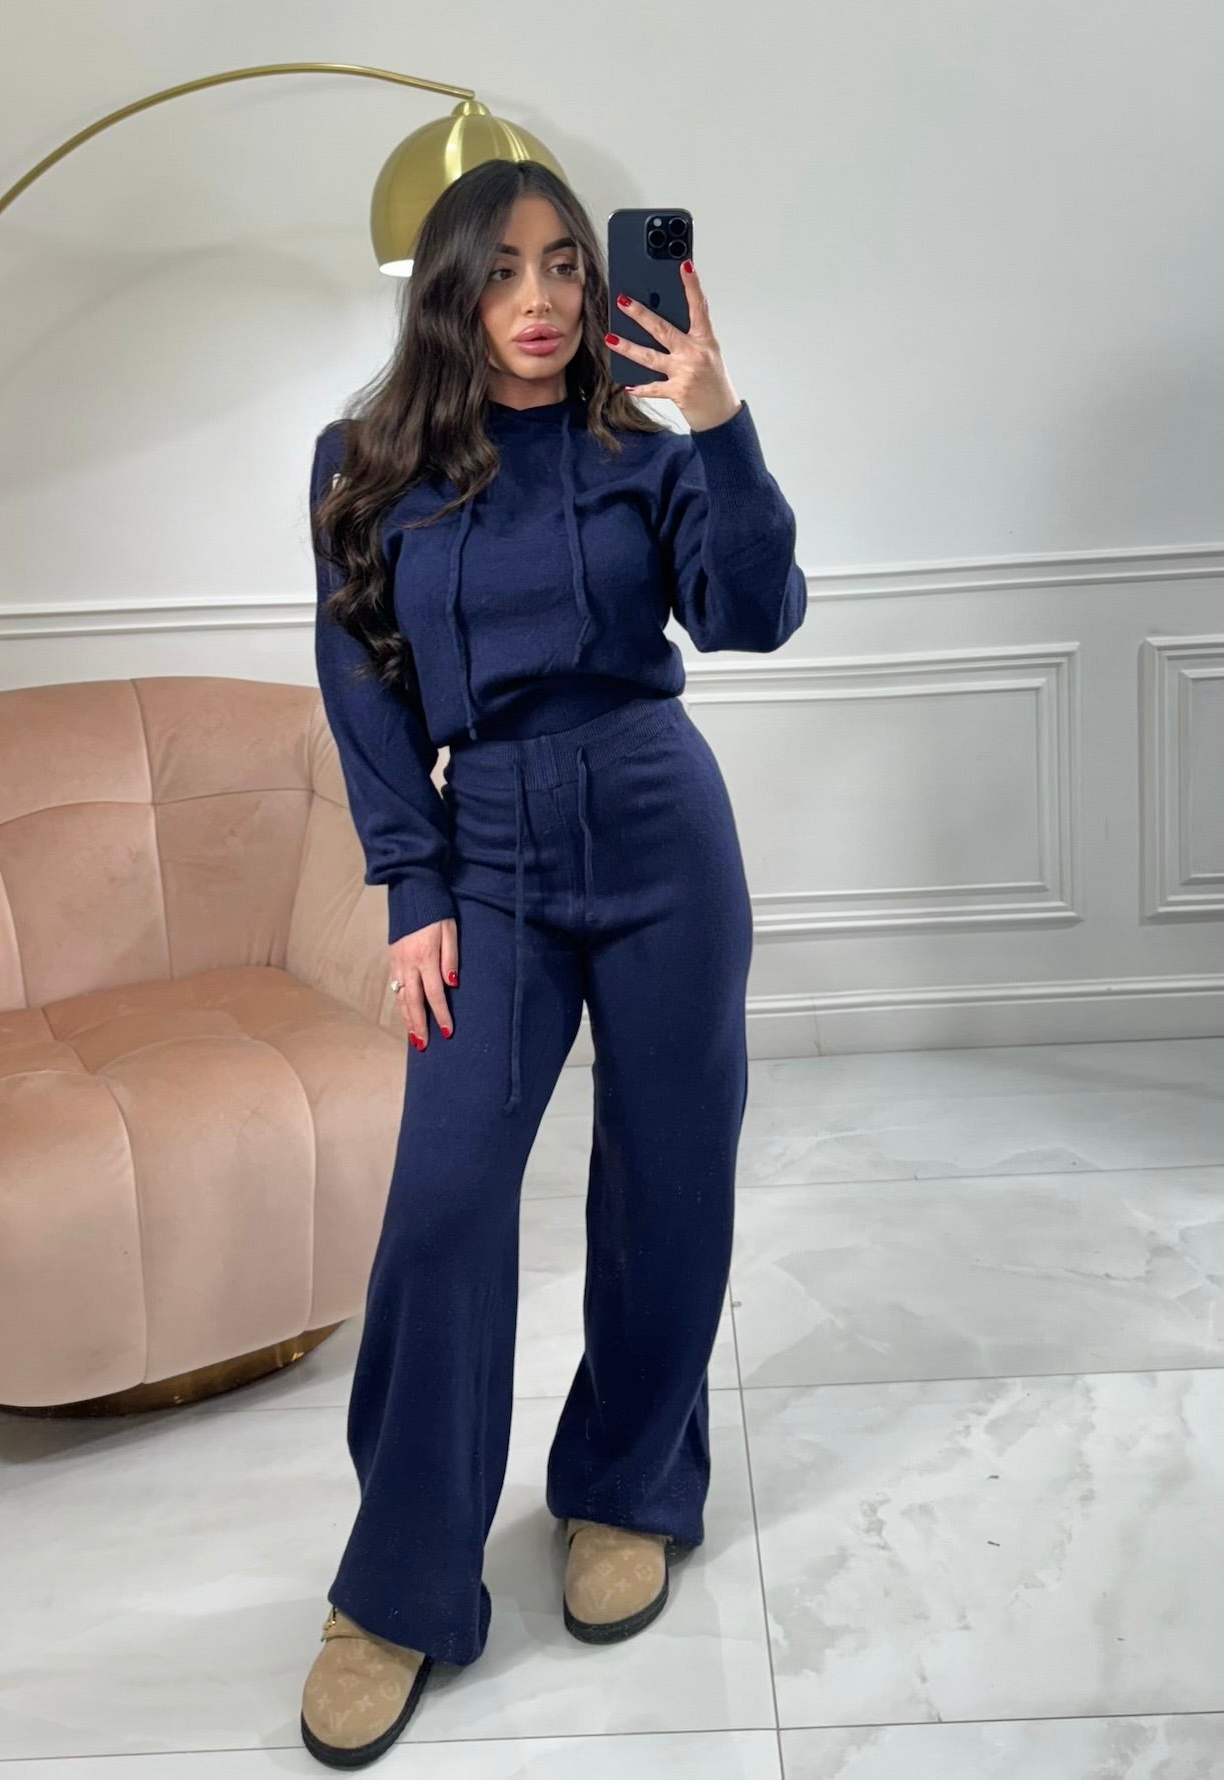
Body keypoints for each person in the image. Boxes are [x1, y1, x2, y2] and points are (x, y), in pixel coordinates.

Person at [301, 157, 806, 1770]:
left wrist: (719, 422)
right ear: (453, 288)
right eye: (506, 268)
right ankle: (397, 1588)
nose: (541, 299)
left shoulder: (643, 451)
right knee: (445, 1201)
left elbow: (754, 615)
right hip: (492, 855)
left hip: (661, 830)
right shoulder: (364, 466)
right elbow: (363, 683)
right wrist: (412, 885)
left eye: (567, 267)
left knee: (670, 1179)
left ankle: (628, 1490)